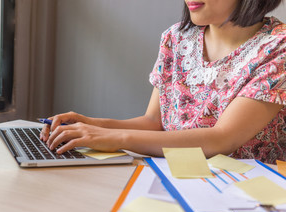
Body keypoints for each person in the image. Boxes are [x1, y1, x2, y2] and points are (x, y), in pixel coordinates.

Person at [40, 0, 286, 164]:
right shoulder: (176, 38)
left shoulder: (278, 46)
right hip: (170, 176)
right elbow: (153, 122)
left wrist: (113, 138)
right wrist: (93, 125)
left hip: (245, 198)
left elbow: (222, 139)